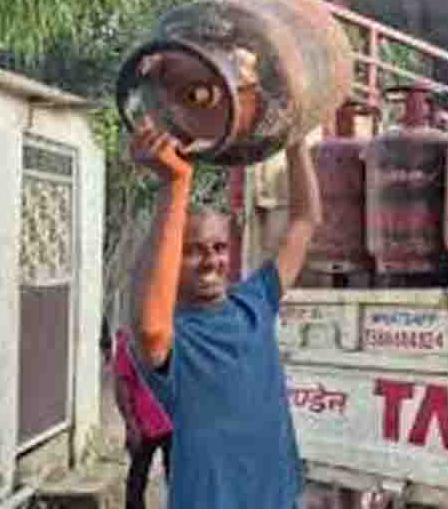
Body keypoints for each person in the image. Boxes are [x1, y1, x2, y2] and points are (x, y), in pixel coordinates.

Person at [127, 86, 322, 509]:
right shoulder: (173, 335)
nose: (211, 261)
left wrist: (294, 136)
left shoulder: (254, 302)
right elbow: (148, 329)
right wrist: (176, 185)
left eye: (218, 247)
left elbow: (305, 221)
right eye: (193, 250)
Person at [112, 326, 172, 509]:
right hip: (145, 425)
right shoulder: (128, 341)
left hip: (171, 423)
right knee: (136, 482)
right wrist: (131, 425)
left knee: (177, 481)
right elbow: (121, 385)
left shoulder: (174, 334)